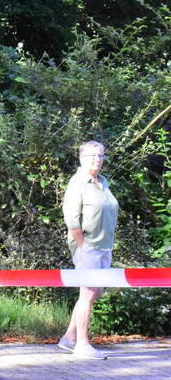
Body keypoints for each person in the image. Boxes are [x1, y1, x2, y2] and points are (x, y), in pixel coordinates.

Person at [58, 140, 118, 360]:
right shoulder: (77, 183)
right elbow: (73, 223)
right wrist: (83, 247)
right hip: (88, 246)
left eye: (101, 155)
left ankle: (69, 338)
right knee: (89, 292)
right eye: (92, 156)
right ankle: (82, 345)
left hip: (104, 246)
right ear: (81, 158)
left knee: (95, 292)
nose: (97, 160)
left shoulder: (102, 182)